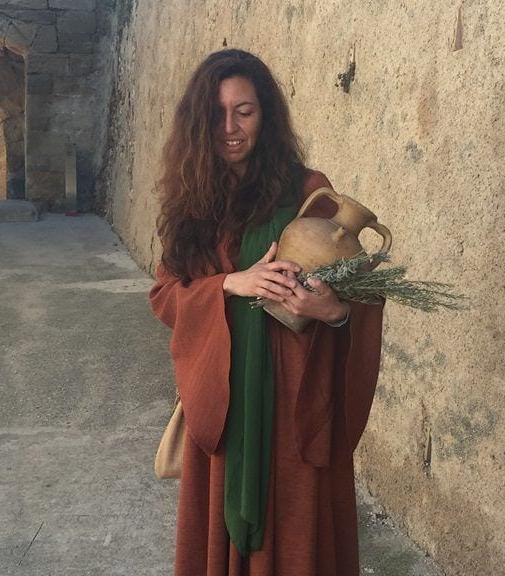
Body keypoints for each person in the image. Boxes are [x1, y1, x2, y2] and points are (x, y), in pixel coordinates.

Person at [149, 49, 385, 576]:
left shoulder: (307, 193)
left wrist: (332, 313)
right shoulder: (191, 202)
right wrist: (229, 284)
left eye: (245, 111)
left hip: (296, 407)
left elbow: (362, 297)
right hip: (226, 403)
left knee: (297, 538)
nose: (230, 127)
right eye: (217, 114)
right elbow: (166, 295)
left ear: (267, 115)